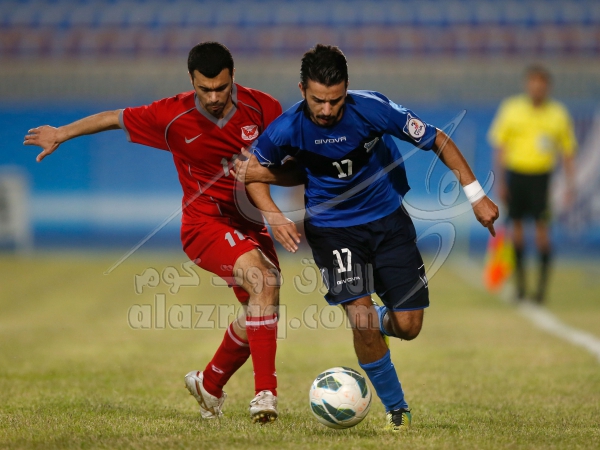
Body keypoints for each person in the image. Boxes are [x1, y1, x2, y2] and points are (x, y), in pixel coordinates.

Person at [22, 41, 302, 424]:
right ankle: (265, 394)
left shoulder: (264, 108)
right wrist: (62, 133)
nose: (214, 97)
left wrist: (272, 197)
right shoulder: (171, 115)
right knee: (263, 281)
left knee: (261, 305)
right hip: (204, 225)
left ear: (233, 76)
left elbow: (290, 165)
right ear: (192, 81)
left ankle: (209, 384)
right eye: (205, 89)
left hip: (249, 224)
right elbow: (114, 118)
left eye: (221, 88)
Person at [233, 44, 499, 431]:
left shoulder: (373, 109)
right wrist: (273, 215)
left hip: (388, 222)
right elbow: (252, 173)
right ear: (302, 89)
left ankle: (375, 319)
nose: (327, 110)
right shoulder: (288, 127)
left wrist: (476, 196)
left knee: (409, 326)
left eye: (335, 100)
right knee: (360, 319)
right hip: (332, 229)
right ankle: (397, 408)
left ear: (347, 88)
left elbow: (437, 138)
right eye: (318, 100)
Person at [488, 65, 576, 303]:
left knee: (542, 234)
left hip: (541, 178)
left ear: (548, 87)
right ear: (527, 85)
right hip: (517, 175)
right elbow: (500, 147)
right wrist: (501, 181)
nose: (537, 88)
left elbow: (567, 151)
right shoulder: (511, 109)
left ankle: (541, 290)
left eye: (541, 84)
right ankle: (521, 287)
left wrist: (570, 185)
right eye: (533, 83)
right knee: (516, 232)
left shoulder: (558, 113)